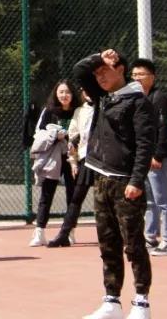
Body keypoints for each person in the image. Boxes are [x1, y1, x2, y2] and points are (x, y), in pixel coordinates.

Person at [73, 49, 157, 319]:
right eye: (97, 74)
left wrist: (137, 180)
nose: (99, 77)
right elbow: (79, 71)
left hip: (126, 184)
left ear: (120, 69)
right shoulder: (102, 97)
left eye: (104, 72)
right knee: (107, 244)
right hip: (101, 179)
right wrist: (98, 57)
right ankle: (112, 302)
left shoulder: (138, 103)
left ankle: (141, 303)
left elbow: (145, 145)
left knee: (133, 244)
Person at [131, 59, 167, 257]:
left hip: (157, 158)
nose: (137, 78)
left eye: (141, 74)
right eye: (134, 75)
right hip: (143, 157)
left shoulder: (159, 98)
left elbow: (165, 128)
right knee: (149, 200)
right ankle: (150, 236)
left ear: (152, 77)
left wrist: (158, 155)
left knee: (162, 200)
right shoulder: (137, 98)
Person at [25, 81, 76, 247]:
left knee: (73, 195)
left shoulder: (78, 111)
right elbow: (39, 132)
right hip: (53, 157)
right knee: (47, 194)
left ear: (72, 94)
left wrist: (72, 141)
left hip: (73, 157)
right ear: (56, 94)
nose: (64, 95)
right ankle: (39, 232)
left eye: (67, 92)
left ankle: (69, 232)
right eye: (61, 92)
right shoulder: (49, 111)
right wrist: (55, 135)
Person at [47, 88, 96, 247]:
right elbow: (73, 137)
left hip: (105, 161)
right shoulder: (80, 111)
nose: (88, 92)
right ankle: (64, 234)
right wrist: (73, 161)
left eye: (91, 87)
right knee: (76, 198)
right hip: (85, 159)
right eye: (85, 89)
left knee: (108, 200)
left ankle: (122, 235)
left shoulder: (105, 107)